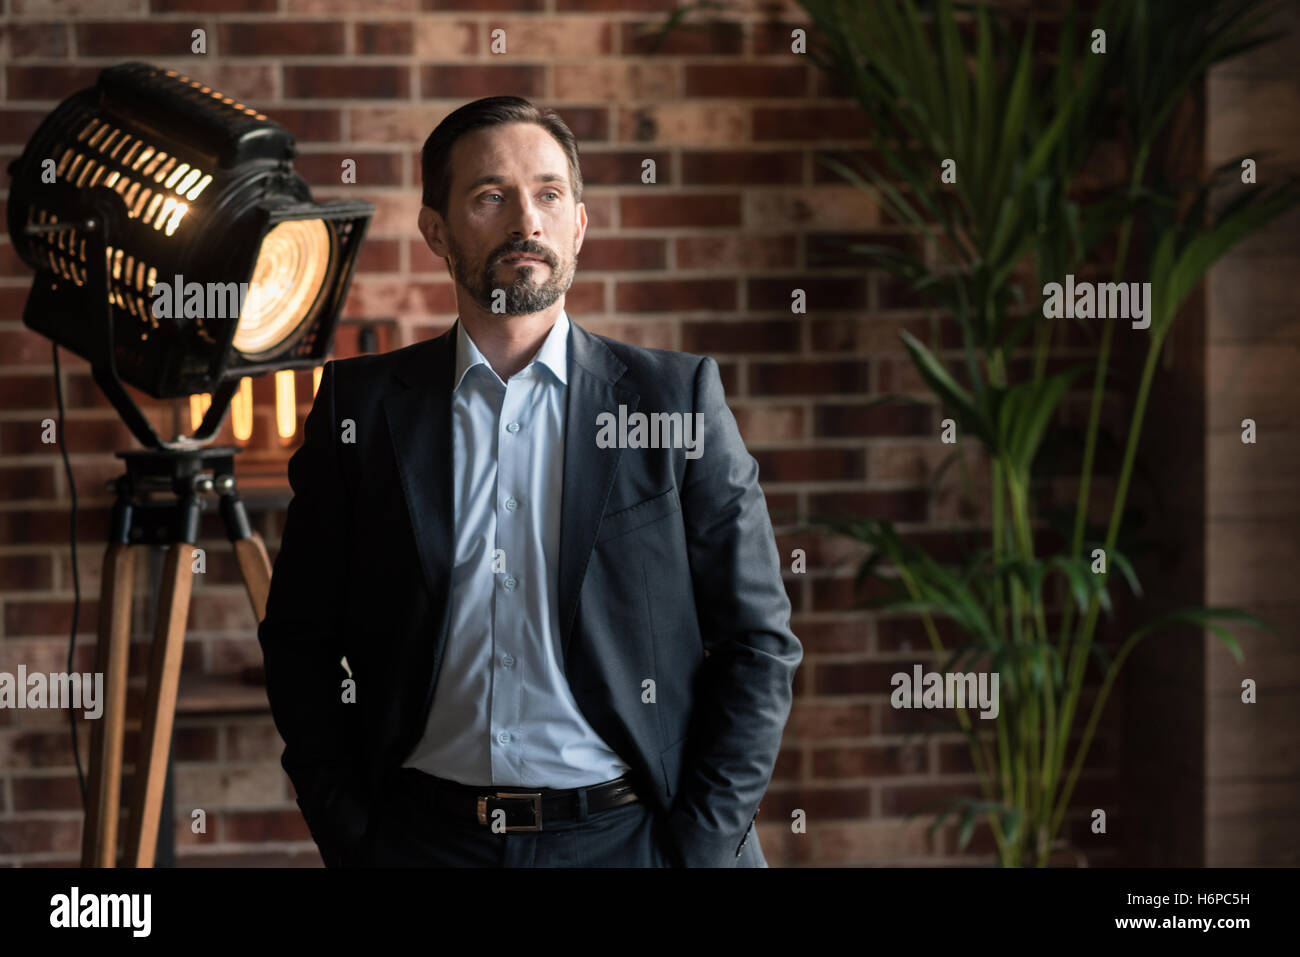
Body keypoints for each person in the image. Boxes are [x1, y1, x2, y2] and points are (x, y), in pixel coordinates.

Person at [256, 95, 802, 868]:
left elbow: (758, 642)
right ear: (436, 233)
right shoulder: (361, 409)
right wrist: (356, 838)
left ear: (578, 223)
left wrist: (698, 847)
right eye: (491, 196)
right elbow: (299, 641)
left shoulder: (672, 401)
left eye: (548, 194)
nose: (526, 221)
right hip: (425, 843)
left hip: (631, 840)